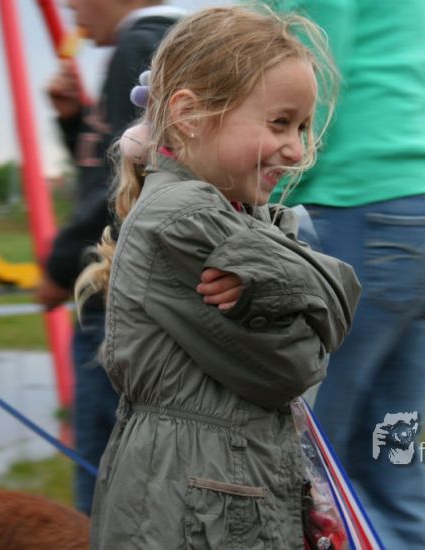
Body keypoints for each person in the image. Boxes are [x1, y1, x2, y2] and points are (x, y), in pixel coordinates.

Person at [73, 7, 361, 548]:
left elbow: (332, 311)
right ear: (189, 114)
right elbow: (295, 367)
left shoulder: (236, 214)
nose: (297, 149)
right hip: (193, 514)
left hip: (216, 497)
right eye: (279, 123)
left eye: (301, 127)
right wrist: (313, 286)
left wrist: (292, 280)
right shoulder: (184, 219)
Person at [267, 0, 425, 547]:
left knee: (303, 474)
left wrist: (254, 201)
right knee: (393, 465)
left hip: (354, 208)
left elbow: (308, 68)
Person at [34, 0, 183, 516]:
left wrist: (60, 270)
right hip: (146, 302)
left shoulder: (139, 47)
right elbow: (116, 159)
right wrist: (74, 122)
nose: (70, 6)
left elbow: (123, 186)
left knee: (104, 480)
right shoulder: (161, 42)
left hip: (112, 302)